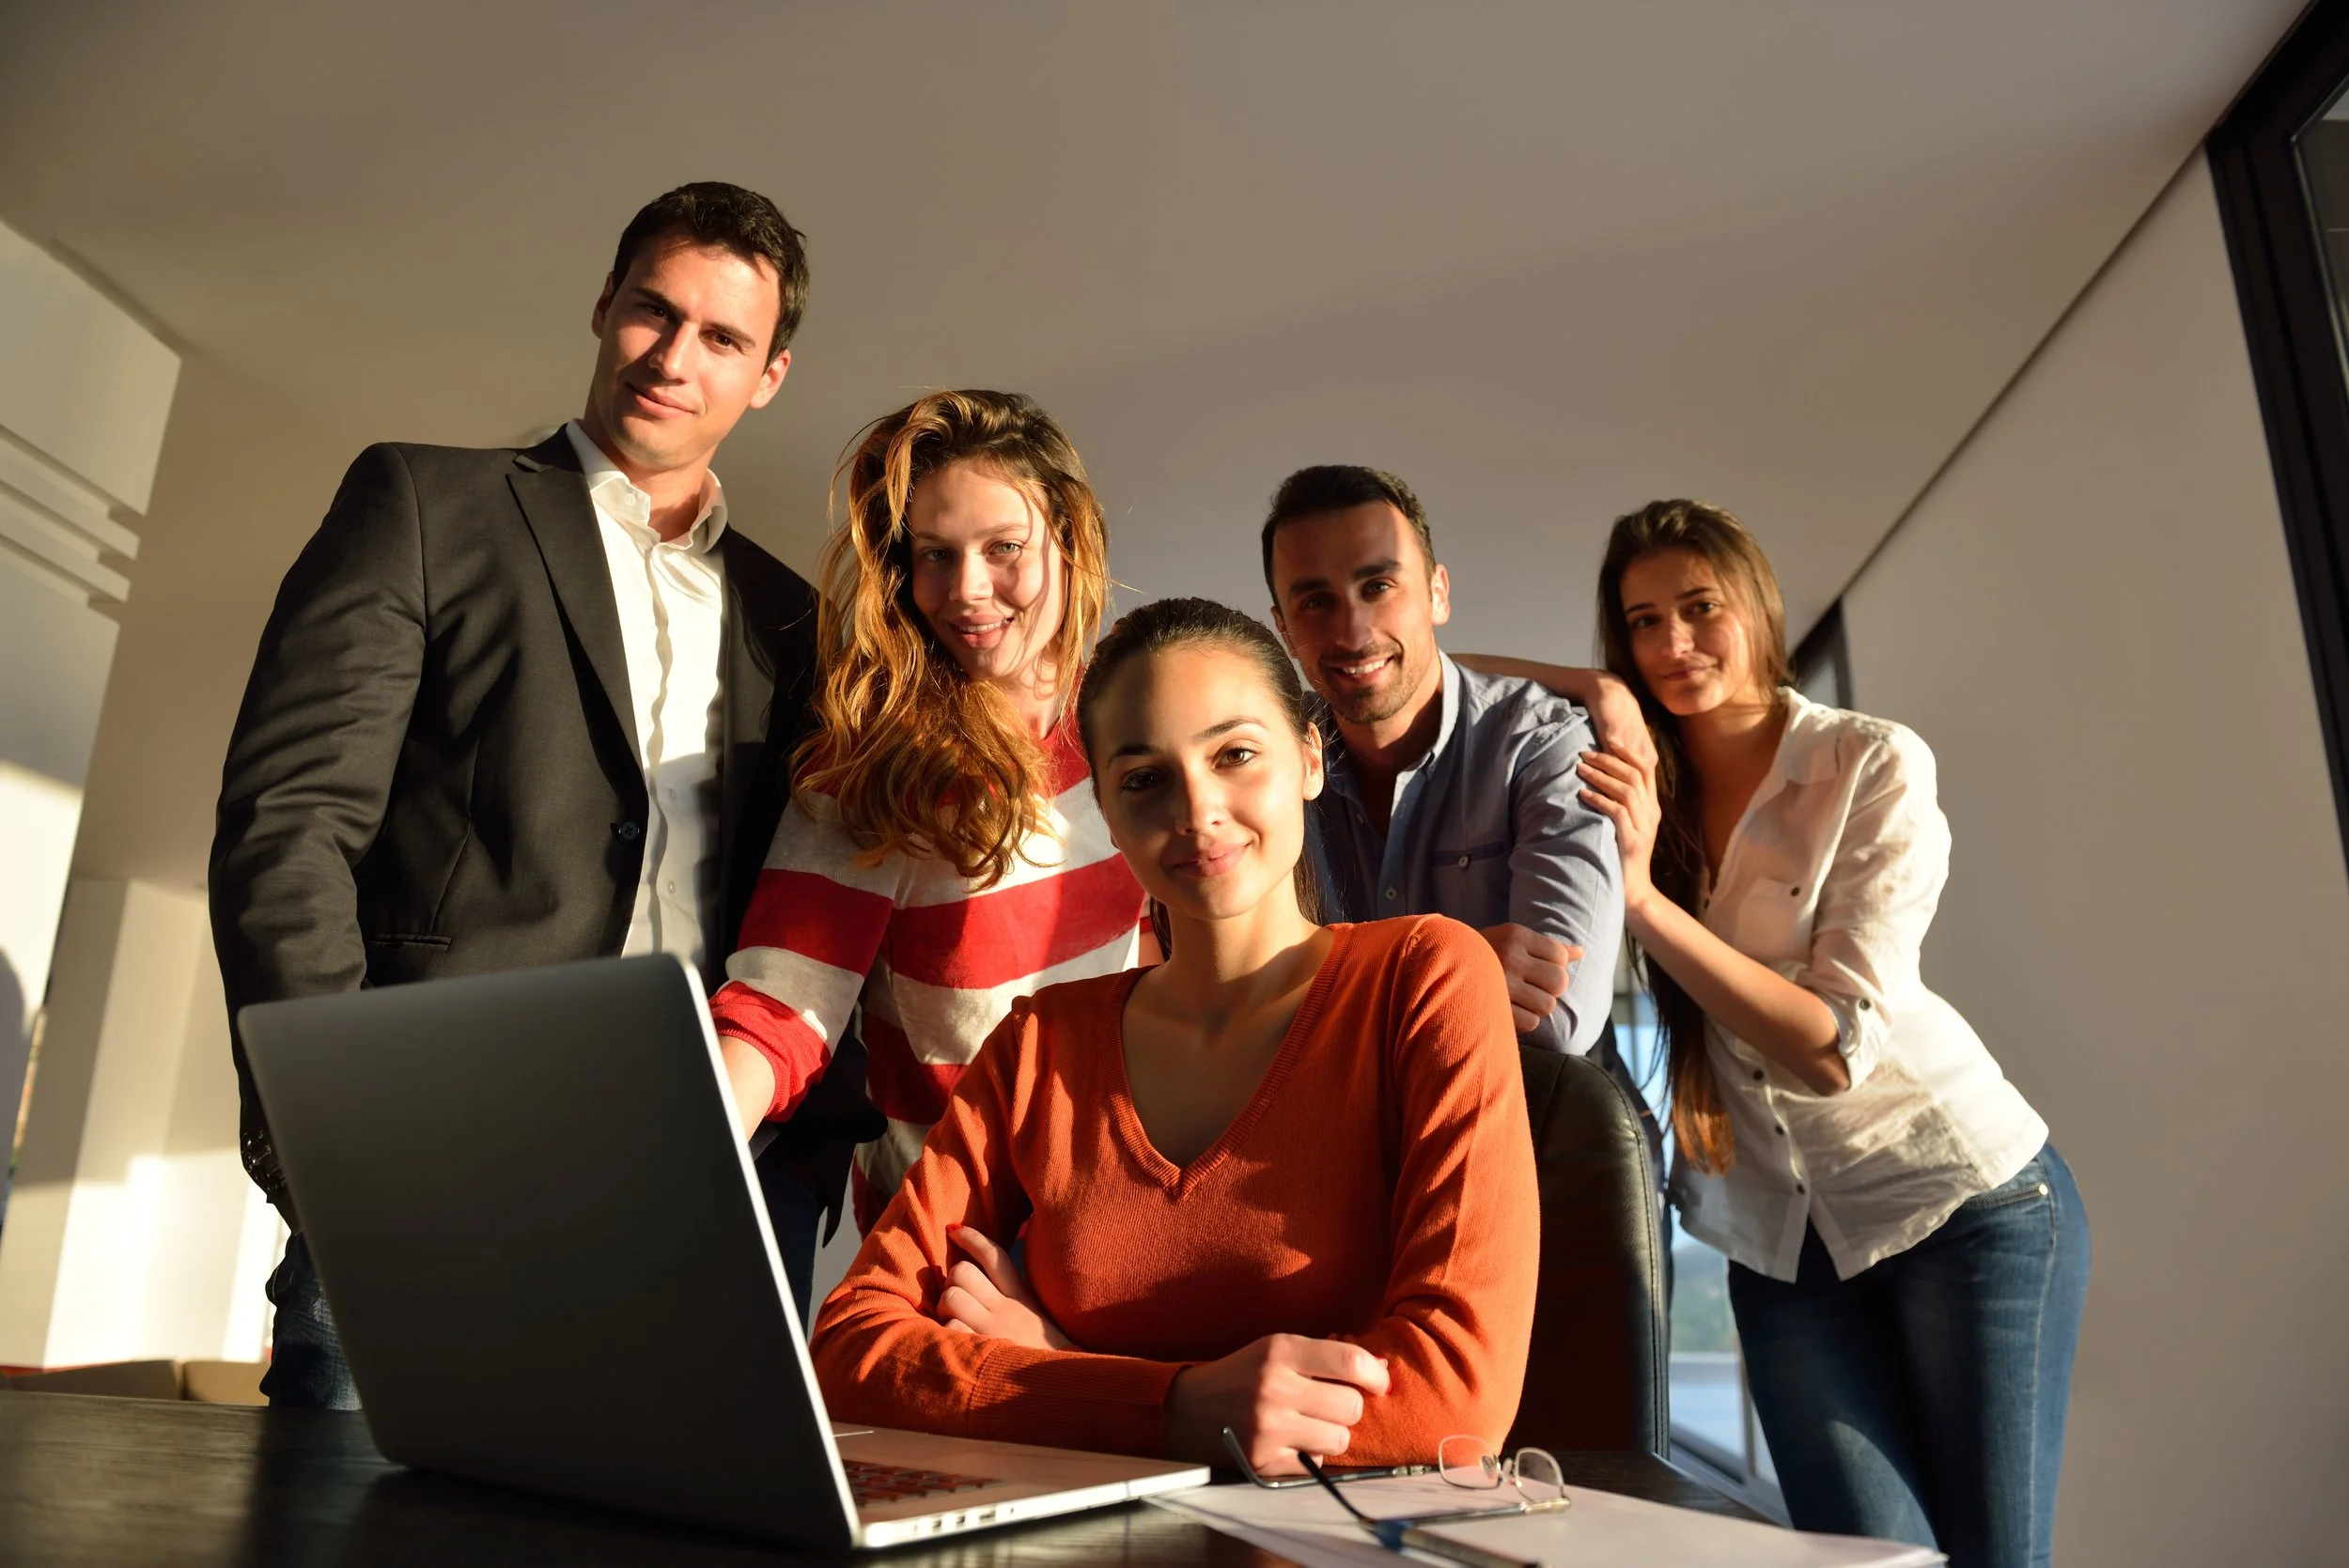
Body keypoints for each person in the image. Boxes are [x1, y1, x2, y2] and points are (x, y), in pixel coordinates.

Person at [210, 182, 872, 1407]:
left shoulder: (800, 622)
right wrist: (338, 1146)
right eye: (650, 311)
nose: (674, 358)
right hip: (426, 1174)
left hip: (689, 1206)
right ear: (602, 307)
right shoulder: (422, 503)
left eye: (722, 337)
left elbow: (822, 904)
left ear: (770, 373)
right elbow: (286, 827)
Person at [809, 598, 1537, 1474]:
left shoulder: (1426, 977)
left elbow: (1453, 1400)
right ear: (1108, 814)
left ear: (1309, 758)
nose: (1197, 811)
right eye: (1144, 777)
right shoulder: (1040, 1042)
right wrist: (1174, 1407)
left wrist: (1069, 1370)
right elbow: (851, 1347)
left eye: (1235, 754)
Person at [1567, 499, 2089, 1567]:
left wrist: (1644, 903)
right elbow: (1434, 683)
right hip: (1780, 1244)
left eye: (1699, 608)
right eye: (1641, 623)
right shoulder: (1646, 781)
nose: (1673, 644)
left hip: (1959, 1202)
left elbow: (1832, 1047)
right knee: (1864, 1564)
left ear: (1755, 603)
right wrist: (1590, 688)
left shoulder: (1868, 762)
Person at [710, 391, 1146, 1233]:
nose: (967, 592)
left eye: (1004, 548)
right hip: (961, 1246)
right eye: (935, 555)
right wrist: (670, 1159)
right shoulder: (870, 772)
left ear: (1071, 534)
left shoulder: (1130, 720)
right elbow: (781, 1008)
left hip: (1128, 1209)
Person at [1259, 465, 1656, 1146]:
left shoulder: (1546, 743)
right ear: (1284, 627)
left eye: (1378, 586)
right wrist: (1452, 964)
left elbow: (1558, 1021)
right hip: (1355, 1179)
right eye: (1315, 602)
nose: (1353, 630)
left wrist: (1328, 993)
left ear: (1438, 592)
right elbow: (1243, 1012)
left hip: (1552, 1168)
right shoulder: (1265, 761)